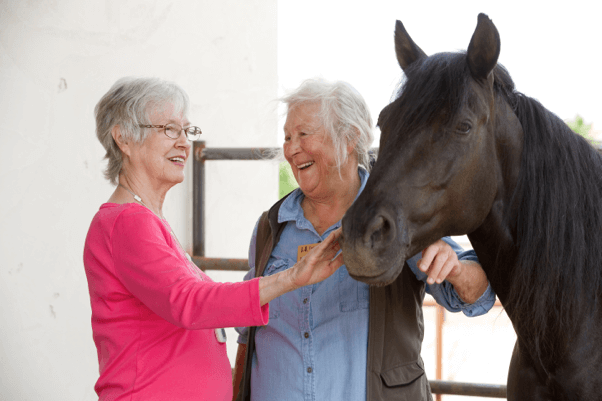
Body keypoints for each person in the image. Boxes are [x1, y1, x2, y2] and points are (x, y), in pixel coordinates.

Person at [232, 78, 496, 401]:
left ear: (348, 139)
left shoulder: (395, 217)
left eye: (303, 134)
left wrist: (453, 268)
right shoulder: (270, 228)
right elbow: (247, 336)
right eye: (287, 137)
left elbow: (477, 296)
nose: (290, 148)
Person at [83, 77, 345, 401]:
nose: (183, 143)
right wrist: (291, 277)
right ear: (123, 137)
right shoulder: (127, 221)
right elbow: (190, 302)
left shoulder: (144, 219)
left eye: (186, 130)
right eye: (169, 129)